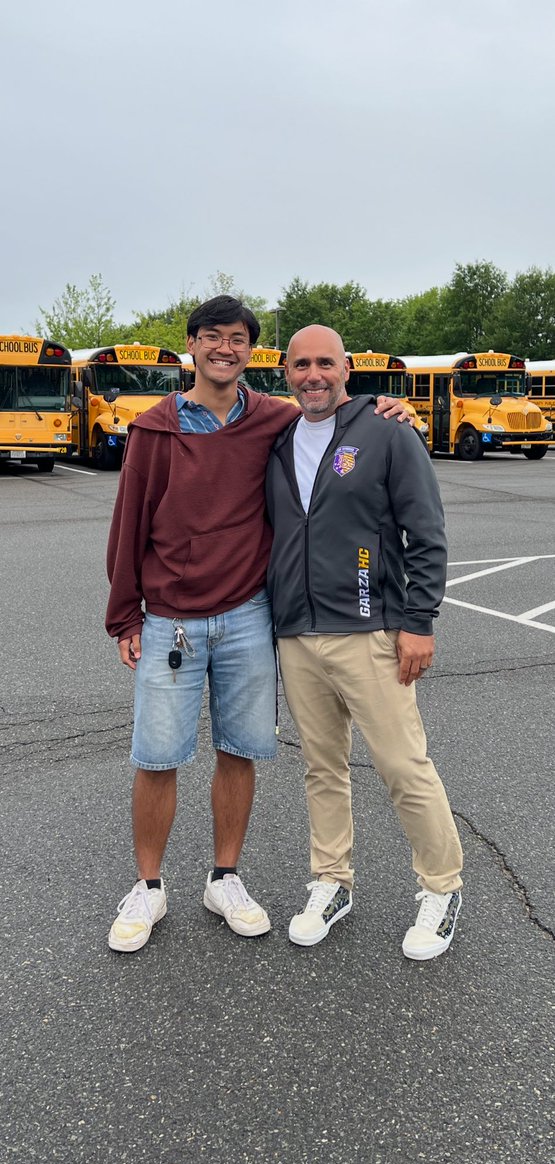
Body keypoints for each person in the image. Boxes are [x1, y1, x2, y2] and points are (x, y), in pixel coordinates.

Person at [105, 296, 410, 953]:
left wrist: (388, 407)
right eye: (211, 337)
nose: (224, 348)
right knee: (158, 757)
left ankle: (225, 877)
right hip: (171, 621)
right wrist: (123, 613)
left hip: (247, 614)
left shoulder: (270, 419)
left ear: (251, 351)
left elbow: (334, 408)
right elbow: (128, 524)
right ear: (190, 345)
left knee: (239, 750)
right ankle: (149, 888)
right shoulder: (156, 431)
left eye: (238, 338)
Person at [265, 324, 463, 960]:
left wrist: (419, 620)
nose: (313, 375)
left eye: (326, 363)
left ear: (347, 368)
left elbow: (424, 531)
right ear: (285, 372)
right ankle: (332, 881)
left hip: (371, 629)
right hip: (297, 633)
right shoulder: (277, 436)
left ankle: (442, 888)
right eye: (301, 365)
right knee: (322, 767)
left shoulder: (386, 431)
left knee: (403, 765)